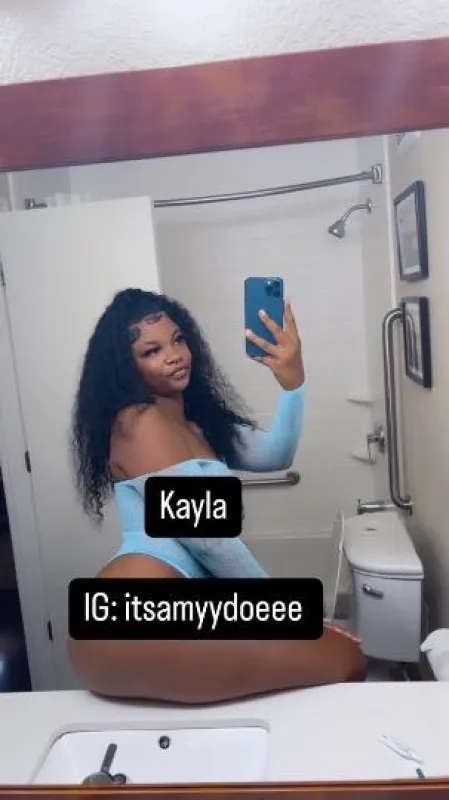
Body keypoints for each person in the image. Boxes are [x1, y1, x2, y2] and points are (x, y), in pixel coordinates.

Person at [68, 288, 365, 703]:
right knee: (344, 659)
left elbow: (275, 453)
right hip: (130, 619)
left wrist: (293, 382)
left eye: (178, 340)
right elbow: (209, 541)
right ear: (126, 368)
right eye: (152, 350)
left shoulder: (197, 424)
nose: (175, 355)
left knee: (339, 659)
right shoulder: (137, 423)